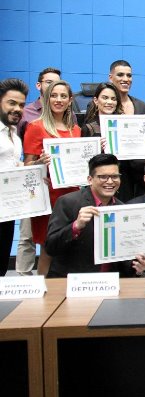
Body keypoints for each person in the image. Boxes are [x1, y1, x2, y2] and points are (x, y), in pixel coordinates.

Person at [45, 153, 145, 277]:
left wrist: (137, 268)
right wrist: (75, 226)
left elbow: (122, 258)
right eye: (103, 177)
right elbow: (51, 247)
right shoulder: (67, 202)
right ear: (90, 179)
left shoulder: (122, 209)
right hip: (72, 282)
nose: (110, 181)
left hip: (110, 283)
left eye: (115, 176)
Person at [23, 80, 81, 276]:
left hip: (71, 195)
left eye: (63, 96)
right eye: (54, 95)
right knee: (48, 247)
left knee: (69, 244)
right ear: (47, 99)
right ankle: (42, 291)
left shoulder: (75, 129)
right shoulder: (35, 127)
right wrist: (40, 162)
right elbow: (26, 168)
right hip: (48, 196)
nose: (58, 100)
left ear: (70, 100)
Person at [16, 67, 59, 276]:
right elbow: (21, 155)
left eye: (57, 84)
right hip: (34, 186)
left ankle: (51, 279)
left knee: (51, 237)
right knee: (28, 235)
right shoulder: (28, 116)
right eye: (49, 82)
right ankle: (23, 280)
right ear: (39, 85)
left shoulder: (73, 125)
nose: (53, 89)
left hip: (60, 188)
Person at [0, 78, 28, 276]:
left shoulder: (14, 135)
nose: (17, 108)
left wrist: (31, 169)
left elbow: (11, 165)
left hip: (7, 210)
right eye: (12, 103)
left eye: (21, 104)